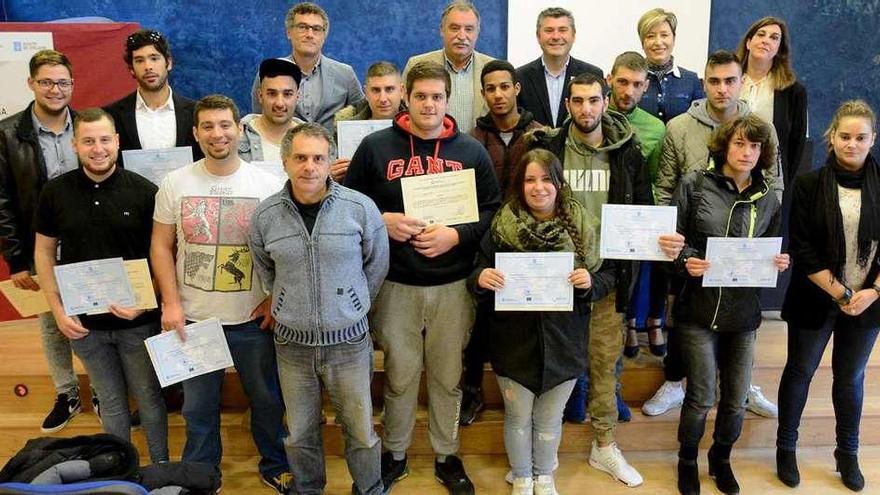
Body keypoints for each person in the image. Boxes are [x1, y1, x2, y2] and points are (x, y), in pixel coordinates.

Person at [344, 60, 501, 495]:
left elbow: (492, 211)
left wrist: (456, 234)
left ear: (448, 100)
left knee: (448, 377)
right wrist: (382, 219)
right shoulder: (376, 148)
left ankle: (447, 455)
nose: (429, 104)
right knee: (399, 375)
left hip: (453, 285)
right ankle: (394, 454)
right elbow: (347, 207)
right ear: (405, 98)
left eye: (437, 96)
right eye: (420, 96)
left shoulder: (470, 151)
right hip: (395, 285)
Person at [527, 72, 681, 487]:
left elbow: (644, 209)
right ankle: (542, 457)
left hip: (608, 278)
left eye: (593, 100)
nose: (586, 109)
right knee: (551, 365)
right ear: (567, 105)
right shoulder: (549, 148)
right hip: (554, 278)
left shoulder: (628, 150)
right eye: (577, 101)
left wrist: (661, 239)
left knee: (604, 365)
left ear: (605, 100)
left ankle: (604, 445)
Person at [150, 95, 291, 493]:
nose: (218, 134)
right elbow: (161, 246)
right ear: (195, 133)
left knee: (266, 400)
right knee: (197, 408)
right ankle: (201, 475)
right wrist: (171, 303)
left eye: (225, 125)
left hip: (252, 317)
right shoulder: (175, 183)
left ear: (239, 129)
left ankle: (274, 464)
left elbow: (285, 248)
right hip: (194, 318)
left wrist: (273, 296)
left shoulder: (267, 184)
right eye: (208, 126)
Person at [250, 122, 389, 494]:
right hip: (292, 347)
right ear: (285, 162)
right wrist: (285, 301)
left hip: (349, 344)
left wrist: (353, 305)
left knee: (361, 430)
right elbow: (265, 267)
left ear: (330, 162)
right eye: (300, 158)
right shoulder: (266, 216)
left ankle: (369, 487)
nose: (309, 166)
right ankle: (308, 488)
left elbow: (375, 265)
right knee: (299, 432)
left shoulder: (359, 209)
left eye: (318, 158)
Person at [647, 50, 783, 419]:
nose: (722, 89)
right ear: (703, 82)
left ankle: (742, 386)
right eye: (714, 81)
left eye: (730, 81)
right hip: (691, 245)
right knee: (683, 314)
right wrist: (671, 239)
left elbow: (774, 184)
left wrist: (763, 236)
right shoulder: (679, 127)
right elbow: (664, 187)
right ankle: (675, 381)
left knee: (740, 326)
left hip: (743, 251)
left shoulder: (760, 129)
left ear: (742, 83)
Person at [470, 149, 614, 495]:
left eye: (547, 179)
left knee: (549, 419)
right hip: (513, 342)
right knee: (517, 417)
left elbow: (608, 275)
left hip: (565, 341)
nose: (539, 188)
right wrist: (481, 277)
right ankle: (521, 476)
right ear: (520, 185)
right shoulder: (501, 225)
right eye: (530, 180)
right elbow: (475, 270)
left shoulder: (583, 224)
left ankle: (543, 475)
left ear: (559, 183)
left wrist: (590, 283)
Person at [33, 108, 168, 463]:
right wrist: (58, 309)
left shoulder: (144, 191)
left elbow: (164, 255)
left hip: (137, 321)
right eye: (89, 141)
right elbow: (44, 253)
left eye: (105, 140)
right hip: (85, 326)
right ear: (75, 144)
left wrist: (147, 299)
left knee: (149, 397)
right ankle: (119, 467)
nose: (98, 148)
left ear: (117, 142)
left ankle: (160, 467)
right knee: (109, 401)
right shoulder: (55, 192)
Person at [670, 114, 789, 495]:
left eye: (755, 146)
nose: (747, 152)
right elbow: (672, 241)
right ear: (725, 145)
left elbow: (768, 247)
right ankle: (686, 461)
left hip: (744, 313)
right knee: (702, 395)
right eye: (740, 143)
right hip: (698, 308)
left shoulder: (768, 198)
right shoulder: (694, 184)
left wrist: (777, 261)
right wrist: (687, 258)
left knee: (736, 400)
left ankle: (720, 460)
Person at [777, 100, 879, 492]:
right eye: (844, 137)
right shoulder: (807, 184)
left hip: (868, 302)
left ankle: (847, 453)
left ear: (872, 139)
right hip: (816, 295)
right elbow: (801, 248)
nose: (852, 144)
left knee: (850, 378)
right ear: (831, 137)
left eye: (860, 138)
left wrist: (870, 293)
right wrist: (842, 293)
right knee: (800, 372)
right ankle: (786, 447)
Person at [0, 49, 86, 433]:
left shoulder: (88, 125)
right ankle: (67, 392)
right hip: (40, 248)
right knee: (52, 324)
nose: (56, 89)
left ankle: (101, 391)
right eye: (47, 82)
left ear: (72, 85)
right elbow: (2, 201)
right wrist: (16, 259)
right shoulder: (7, 134)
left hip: (88, 245)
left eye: (63, 82)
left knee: (95, 321)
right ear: (31, 83)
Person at [459, 60, 543, 426]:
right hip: (482, 241)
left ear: (516, 89)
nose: (498, 94)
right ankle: (472, 392)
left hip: (527, 243)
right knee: (477, 323)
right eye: (490, 88)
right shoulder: (471, 140)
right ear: (483, 94)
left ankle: (527, 398)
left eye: (504, 87)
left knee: (522, 324)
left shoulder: (540, 134)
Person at [606, 51, 668, 358]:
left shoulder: (655, 129)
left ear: (646, 87)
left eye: (636, 84)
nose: (628, 91)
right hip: (601, 211)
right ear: (610, 80)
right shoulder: (590, 116)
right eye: (622, 82)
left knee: (644, 268)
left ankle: (643, 323)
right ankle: (627, 324)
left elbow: (657, 177)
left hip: (639, 212)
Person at [250, 2, 364, 132]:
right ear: (289, 32)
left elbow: (363, 116)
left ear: (324, 36)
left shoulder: (345, 74)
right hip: (282, 150)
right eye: (303, 27)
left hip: (333, 151)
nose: (310, 34)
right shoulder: (269, 72)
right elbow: (259, 119)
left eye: (316, 29)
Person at [103, 29, 202, 165]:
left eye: (154, 58)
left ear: (169, 63)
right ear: (131, 69)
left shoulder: (197, 112)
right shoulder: (111, 115)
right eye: (139, 60)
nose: (148, 67)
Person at [735, 16, 808, 190]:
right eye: (761, 34)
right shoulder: (728, 81)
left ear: (779, 49)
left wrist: (784, 186)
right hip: (729, 175)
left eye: (774, 38)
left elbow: (796, 147)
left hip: (770, 178)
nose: (766, 40)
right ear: (748, 42)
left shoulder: (794, 91)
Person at [403, 1, 493, 133]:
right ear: (442, 30)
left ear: (477, 33)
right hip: (429, 149)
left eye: (469, 29)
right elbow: (403, 114)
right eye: (454, 28)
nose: (462, 36)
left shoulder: (491, 69)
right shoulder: (416, 64)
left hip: (479, 150)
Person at [515, 7, 603, 128]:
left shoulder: (593, 74)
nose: (556, 36)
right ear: (538, 36)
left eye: (562, 30)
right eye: (549, 30)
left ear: (573, 35)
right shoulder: (520, 76)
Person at [330, 61, 406, 183]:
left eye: (389, 89)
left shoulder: (417, 127)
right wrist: (331, 176)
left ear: (402, 91)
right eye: (376, 90)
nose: (383, 99)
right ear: (365, 92)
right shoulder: (343, 130)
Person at [635, 8, 704, 123]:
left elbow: (700, 123)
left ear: (674, 38)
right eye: (651, 36)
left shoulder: (691, 80)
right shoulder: (633, 79)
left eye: (664, 35)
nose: (658, 42)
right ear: (642, 42)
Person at [239, 58, 305, 163]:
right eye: (272, 94)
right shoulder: (237, 137)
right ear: (260, 96)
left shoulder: (312, 139)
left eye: (287, 94)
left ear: (297, 97)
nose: (279, 103)